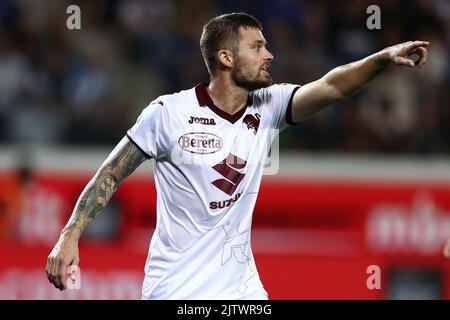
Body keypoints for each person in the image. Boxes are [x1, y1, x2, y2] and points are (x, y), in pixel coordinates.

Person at [46, 12, 433, 299]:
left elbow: (333, 87)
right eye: (258, 46)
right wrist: (70, 236)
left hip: (242, 293)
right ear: (226, 58)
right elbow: (109, 174)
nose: (270, 55)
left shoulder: (270, 104)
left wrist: (381, 58)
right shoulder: (167, 113)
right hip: (177, 291)